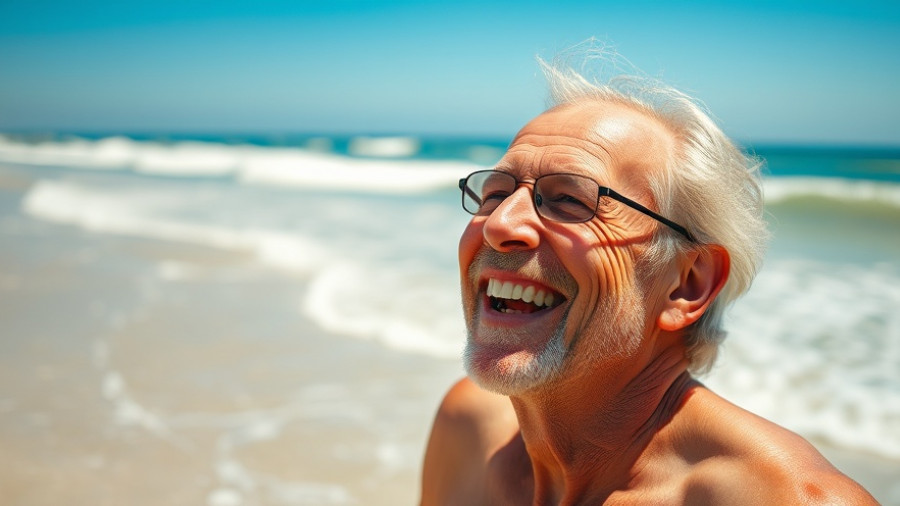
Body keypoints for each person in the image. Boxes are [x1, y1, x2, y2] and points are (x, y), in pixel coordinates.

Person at [420, 52, 877, 505]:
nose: (501, 224)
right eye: (495, 192)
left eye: (570, 200)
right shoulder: (470, 429)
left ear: (687, 285)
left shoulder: (789, 499)